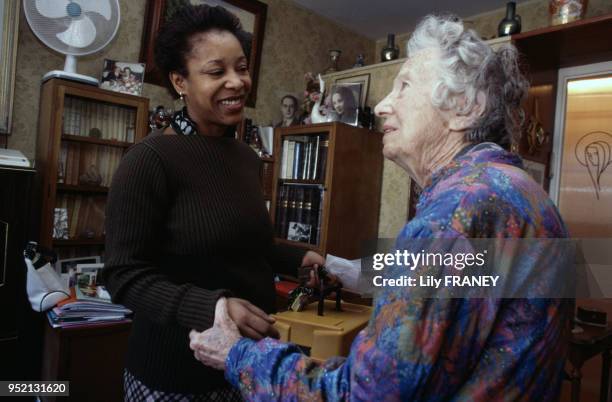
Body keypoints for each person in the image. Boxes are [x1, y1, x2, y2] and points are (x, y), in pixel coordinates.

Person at [189, 14, 572, 401]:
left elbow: (365, 395)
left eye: (403, 86)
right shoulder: (522, 195)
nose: (383, 105)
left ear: (466, 107)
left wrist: (238, 354)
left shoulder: (452, 217)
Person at [101, 4, 324, 401]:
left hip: (245, 367)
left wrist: (296, 260)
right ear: (180, 81)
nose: (237, 82)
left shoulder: (246, 158)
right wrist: (212, 307)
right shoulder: (149, 161)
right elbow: (124, 275)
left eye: (241, 68)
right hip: (174, 377)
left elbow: (242, 245)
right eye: (217, 72)